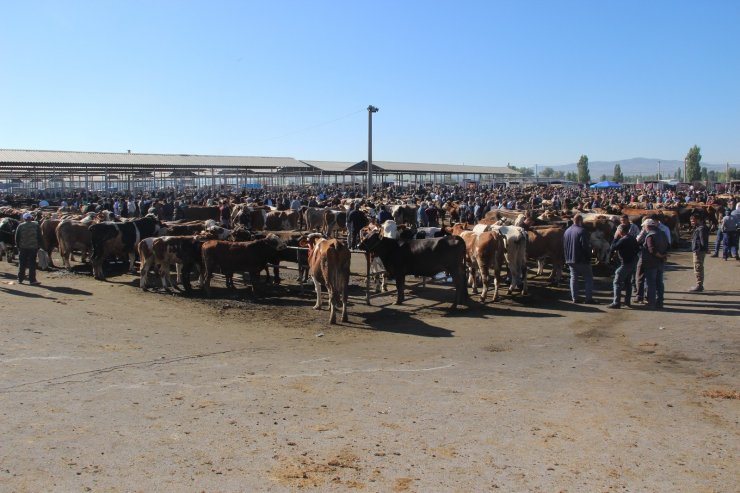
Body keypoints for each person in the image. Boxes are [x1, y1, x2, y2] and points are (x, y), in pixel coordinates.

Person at [563, 214, 597, 304]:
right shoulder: (582, 231)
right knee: (588, 278)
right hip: (582, 259)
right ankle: (588, 298)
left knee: (573, 278)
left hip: (570, 258)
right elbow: (585, 246)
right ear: (581, 221)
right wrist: (590, 255)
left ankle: (575, 298)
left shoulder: (567, 231)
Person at [607, 224, 640, 308]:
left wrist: (615, 238)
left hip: (625, 264)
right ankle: (627, 302)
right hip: (632, 262)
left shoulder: (623, 240)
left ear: (620, 231)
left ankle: (616, 302)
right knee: (628, 282)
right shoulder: (632, 238)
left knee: (617, 282)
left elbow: (612, 248)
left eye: (618, 230)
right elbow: (637, 249)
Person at [641, 218, 669, 309]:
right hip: (660, 262)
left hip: (651, 262)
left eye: (644, 227)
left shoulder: (650, 235)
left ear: (647, 226)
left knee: (651, 283)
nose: (644, 228)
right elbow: (668, 245)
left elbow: (651, 249)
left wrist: (660, 256)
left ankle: (651, 302)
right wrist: (663, 256)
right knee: (659, 282)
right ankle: (660, 301)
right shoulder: (662, 233)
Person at [14, 212, 43, 285]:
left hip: (23, 247)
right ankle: (32, 280)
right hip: (33, 247)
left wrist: (18, 246)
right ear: (31, 218)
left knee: (22, 263)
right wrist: (39, 246)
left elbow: (17, 237)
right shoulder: (36, 225)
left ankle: (20, 279)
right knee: (32, 263)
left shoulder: (20, 226)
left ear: (24, 219)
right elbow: (40, 236)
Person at [689, 213, 709, 292]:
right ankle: (699, 284)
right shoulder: (700, 228)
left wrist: (705, 248)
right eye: (691, 221)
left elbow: (703, 241)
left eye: (693, 221)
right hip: (698, 250)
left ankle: (699, 285)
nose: (692, 222)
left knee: (698, 267)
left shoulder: (701, 229)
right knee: (698, 267)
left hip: (698, 251)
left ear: (698, 220)